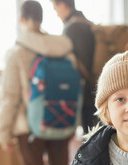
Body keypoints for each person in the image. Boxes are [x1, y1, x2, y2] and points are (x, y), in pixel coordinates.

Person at [0, 1, 75, 165]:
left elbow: (9, 97)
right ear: (41, 18)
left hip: (28, 128)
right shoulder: (60, 47)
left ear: (22, 19)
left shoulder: (17, 52)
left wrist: (3, 133)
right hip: (60, 122)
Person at [51, 0, 97, 134]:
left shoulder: (72, 27)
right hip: (96, 85)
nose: (56, 14)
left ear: (63, 5)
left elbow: (76, 63)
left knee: (90, 136)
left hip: (86, 90)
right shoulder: (86, 22)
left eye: (55, 9)